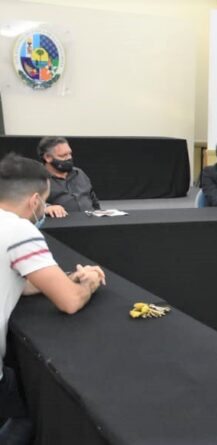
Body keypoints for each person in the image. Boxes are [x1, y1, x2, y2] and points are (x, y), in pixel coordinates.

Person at [0, 153, 105, 444]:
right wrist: (90, 281)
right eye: (45, 202)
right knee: (26, 417)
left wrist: (64, 278)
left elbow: (19, 282)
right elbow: (70, 302)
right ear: (35, 201)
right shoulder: (19, 230)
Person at [37, 137, 100, 218]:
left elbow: (93, 200)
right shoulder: (37, 178)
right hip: (60, 223)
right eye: (63, 155)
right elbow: (29, 205)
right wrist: (46, 208)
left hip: (90, 221)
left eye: (70, 153)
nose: (69, 158)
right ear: (47, 157)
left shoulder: (79, 173)